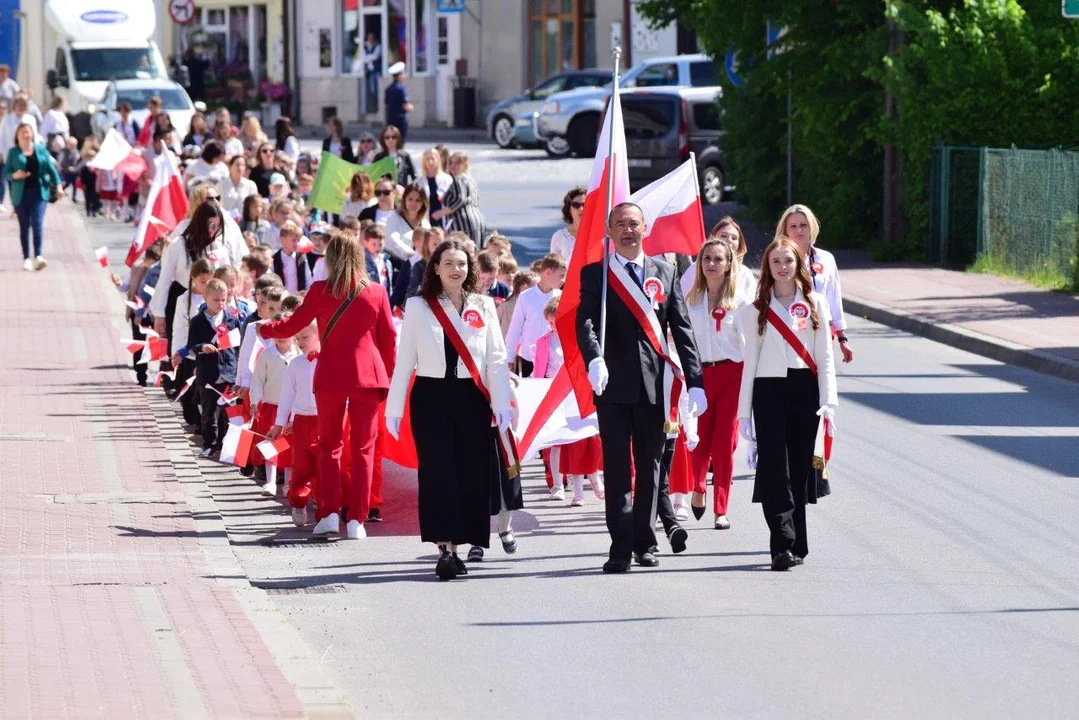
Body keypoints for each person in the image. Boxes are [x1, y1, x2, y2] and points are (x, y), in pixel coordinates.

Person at [576, 203, 707, 573]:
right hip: (612, 384)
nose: (628, 230)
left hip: (655, 387)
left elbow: (682, 329)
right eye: (620, 224)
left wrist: (695, 382)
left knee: (650, 469)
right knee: (618, 470)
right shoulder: (597, 274)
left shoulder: (666, 272)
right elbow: (585, 322)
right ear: (609, 230)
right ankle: (619, 548)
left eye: (633, 223)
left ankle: (644, 543)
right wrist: (593, 358)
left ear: (645, 228)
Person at [386, 239, 522, 580]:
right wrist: (394, 408)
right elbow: (405, 361)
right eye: (449, 263)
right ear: (435, 267)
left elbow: (495, 357)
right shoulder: (418, 306)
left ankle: (461, 546)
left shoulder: (483, 304)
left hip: (472, 398)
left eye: (462, 263)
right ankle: (444, 549)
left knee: (470, 475)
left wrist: (501, 402)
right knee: (438, 473)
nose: (456, 269)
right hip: (431, 397)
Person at [258, 232, 396, 539]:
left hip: (331, 374)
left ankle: (330, 513)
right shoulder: (376, 291)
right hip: (367, 377)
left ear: (330, 259)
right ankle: (358, 519)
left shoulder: (320, 290)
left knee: (329, 446)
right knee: (363, 450)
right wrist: (386, 378)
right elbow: (388, 342)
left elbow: (293, 325)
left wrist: (265, 329)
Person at [737, 235, 837, 571]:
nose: (782, 267)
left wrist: (829, 401)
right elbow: (749, 360)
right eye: (776, 261)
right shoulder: (754, 310)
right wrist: (744, 413)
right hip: (767, 388)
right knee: (774, 466)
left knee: (797, 467)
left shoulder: (816, 304)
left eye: (788, 261)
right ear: (767, 266)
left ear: (799, 265)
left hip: (804, 388)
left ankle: (798, 542)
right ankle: (781, 544)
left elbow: (824, 357)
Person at [680, 237, 754, 529]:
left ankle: (721, 508)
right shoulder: (690, 299)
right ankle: (698, 487)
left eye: (718, 259)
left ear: (728, 264)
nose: (711, 264)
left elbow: (752, 341)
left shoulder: (740, 301)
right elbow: (681, 337)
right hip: (699, 375)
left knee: (724, 443)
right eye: (706, 258)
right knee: (699, 439)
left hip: (732, 374)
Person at [532, 296, 604, 506]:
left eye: (555, 321)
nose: (552, 326)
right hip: (555, 395)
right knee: (556, 442)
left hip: (578, 393)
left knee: (587, 438)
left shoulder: (580, 340)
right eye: (549, 322)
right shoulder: (544, 342)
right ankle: (557, 485)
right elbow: (539, 371)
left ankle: (593, 478)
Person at [151, 196, 243, 347]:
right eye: (211, 225)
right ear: (201, 222)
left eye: (217, 227)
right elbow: (165, 279)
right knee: (179, 348)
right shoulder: (179, 245)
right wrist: (159, 314)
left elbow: (226, 278)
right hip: (181, 298)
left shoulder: (219, 247)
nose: (213, 231)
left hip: (212, 304)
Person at [777, 204, 854, 364]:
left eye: (803, 225)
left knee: (822, 380)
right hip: (790, 331)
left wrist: (842, 338)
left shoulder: (826, 258)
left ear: (811, 227)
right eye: (793, 226)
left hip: (822, 330)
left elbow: (834, 298)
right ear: (785, 231)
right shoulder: (777, 259)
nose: (799, 230)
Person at [269, 320, 321, 525]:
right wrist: (280, 422)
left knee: (323, 465)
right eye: (298, 338)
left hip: (323, 419)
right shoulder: (295, 363)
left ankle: (324, 507)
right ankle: (299, 504)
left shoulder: (327, 360)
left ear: (318, 335)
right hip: (301, 420)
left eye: (305, 337)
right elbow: (287, 394)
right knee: (300, 465)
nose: (300, 342)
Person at [188, 277, 242, 456]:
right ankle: (209, 443)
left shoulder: (231, 320)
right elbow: (191, 345)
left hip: (228, 373)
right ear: (205, 298)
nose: (220, 304)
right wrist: (202, 347)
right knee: (208, 412)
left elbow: (238, 347)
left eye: (223, 300)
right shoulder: (197, 321)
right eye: (216, 300)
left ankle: (225, 443)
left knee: (229, 412)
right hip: (208, 374)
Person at [250, 322, 300, 497]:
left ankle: (288, 483)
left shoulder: (298, 355)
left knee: (288, 446)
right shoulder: (267, 354)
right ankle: (270, 482)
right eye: (277, 332)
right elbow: (257, 379)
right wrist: (254, 401)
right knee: (270, 442)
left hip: (292, 409)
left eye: (286, 332)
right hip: (271, 404)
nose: (281, 336)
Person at [5, 122, 63, 272]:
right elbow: (6, 173)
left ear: (32, 134)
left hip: (39, 193)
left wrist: (58, 185)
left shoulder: (41, 150)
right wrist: (14, 175)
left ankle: (38, 256)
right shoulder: (13, 153)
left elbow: (51, 170)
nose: (26, 134)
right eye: (22, 132)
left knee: (37, 223)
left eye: (28, 132)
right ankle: (26, 259)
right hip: (20, 194)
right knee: (24, 227)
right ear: (17, 136)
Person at [505, 254, 566, 377]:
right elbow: (515, 329)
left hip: (554, 362)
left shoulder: (561, 297)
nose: (563, 280)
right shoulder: (526, 296)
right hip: (529, 358)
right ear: (548, 272)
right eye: (561, 276)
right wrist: (508, 357)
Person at [433, 152, 486, 247]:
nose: (453, 166)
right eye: (451, 163)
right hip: (477, 218)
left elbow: (459, 199)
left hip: (463, 221)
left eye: (457, 163)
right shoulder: (470, 179)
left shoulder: (459, 179)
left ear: (465, 164)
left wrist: (440, 213)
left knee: (463, 250)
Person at [358, 178, 416, 261]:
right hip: (374, 262)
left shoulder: (404, 213)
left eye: (386, 192)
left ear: (394, 192)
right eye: (378, 193)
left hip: (405, 261)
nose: (382, 196)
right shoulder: (367, 213)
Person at [498, 269, 537, 339]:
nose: (538, 291)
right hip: (507, 346)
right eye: (536, 288)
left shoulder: (535, 307)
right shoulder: (505, 307)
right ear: (524, 288)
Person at [550, 187, 585, 263]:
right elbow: (553, 266)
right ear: (569, 209)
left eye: (585, 204)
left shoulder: (598, 235)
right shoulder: (559, 236)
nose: (581, 209)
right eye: (576, 205)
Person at [272, 221, 309, 293]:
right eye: (293, 240)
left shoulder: (301, 258)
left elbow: (308, 279)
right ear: (282, 240)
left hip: (298, 298)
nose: (296, 243)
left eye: (298, 240)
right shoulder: (275, 258)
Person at [419, 148, 452, 226]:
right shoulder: (419, 181)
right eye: (427, 159)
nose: (430, 162)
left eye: (432, 158)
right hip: (426, 218)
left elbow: (452, 200)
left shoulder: (447, 179)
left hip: (444, 218)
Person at [384, 62, 414, 143]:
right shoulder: (401, 88)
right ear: (400, 75)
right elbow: (405, 105)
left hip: (390, 119)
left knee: (391, 141)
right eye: (403, 73)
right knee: (400, 141)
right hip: (400, 120)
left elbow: (386, 104)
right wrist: (411, 107)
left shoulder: (388, 88)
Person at [363, 224, 394, 293]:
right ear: (365, 243)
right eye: (374, 244)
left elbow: (389, 285)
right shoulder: (362, 262)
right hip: (370, 296)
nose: (377, 248)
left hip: (384, 297)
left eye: (380, 244)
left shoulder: (387, 262)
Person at [361, 33, 382, 108]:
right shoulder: (364, 46)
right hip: (368, 71)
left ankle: (376, 104)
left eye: (372, 37)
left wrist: (367, 58)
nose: (370, 39)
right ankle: (371, 104)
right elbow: (362, 58)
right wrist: (368, 58)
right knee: (369, 89)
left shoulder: (378, 46)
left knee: (375, 88)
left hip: (376, 70)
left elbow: (375, 56)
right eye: (369, 37)